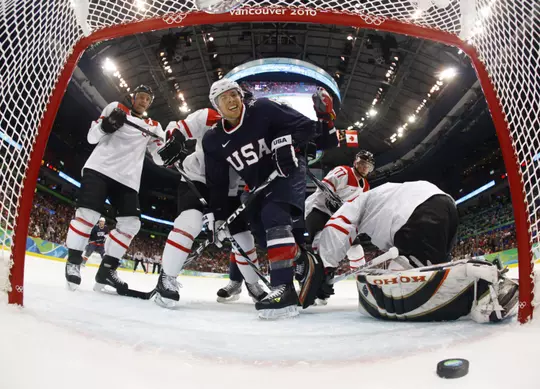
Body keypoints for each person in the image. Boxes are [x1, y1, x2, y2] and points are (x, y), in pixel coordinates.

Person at [202, 79, 337, 319]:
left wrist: (287, 141)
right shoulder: (212, 140)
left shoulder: (263, 109)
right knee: (263, 237)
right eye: (225, 97)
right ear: (216, 106)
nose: (232, 100)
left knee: (274, 216)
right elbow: (218, 183)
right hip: (257, 185)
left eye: (235, 94)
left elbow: (307, 128)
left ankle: (283, 289)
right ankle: (301, 260)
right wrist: (217, 214)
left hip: (287, 171)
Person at [63, 85, 179, 293]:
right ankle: (73, 261)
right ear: (133, 98)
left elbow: (159, 158)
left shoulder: (153, 126)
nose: (143, 101)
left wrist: (171, 150)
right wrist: (105, 127)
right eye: (140, 97)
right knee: (88, 215)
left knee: (131, 224)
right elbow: (91, 137)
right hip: (99, 169)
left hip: (127, 180)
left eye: (147, 99)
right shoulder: (116, 108)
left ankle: (107, 271)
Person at [153, 108, 267, 308]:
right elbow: (176, 128)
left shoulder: (254, 132)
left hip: (228, 191)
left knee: (243, 237)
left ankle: (253, 284)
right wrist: (172, 141)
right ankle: (167, 278)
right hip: (197, 180)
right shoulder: (208, 116)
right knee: (190, 222)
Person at [305, 150, 373, 253]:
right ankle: (321, 266)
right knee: (320, 242)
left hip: (338, 216)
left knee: (356, 247)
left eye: (368, 166)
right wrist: (331, 203)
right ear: (356, 163)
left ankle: (360, 267)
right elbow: (323, 189)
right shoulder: (343, 172)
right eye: (362, 164)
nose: (364, 168)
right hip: (318, 209)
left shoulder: (366, 187)